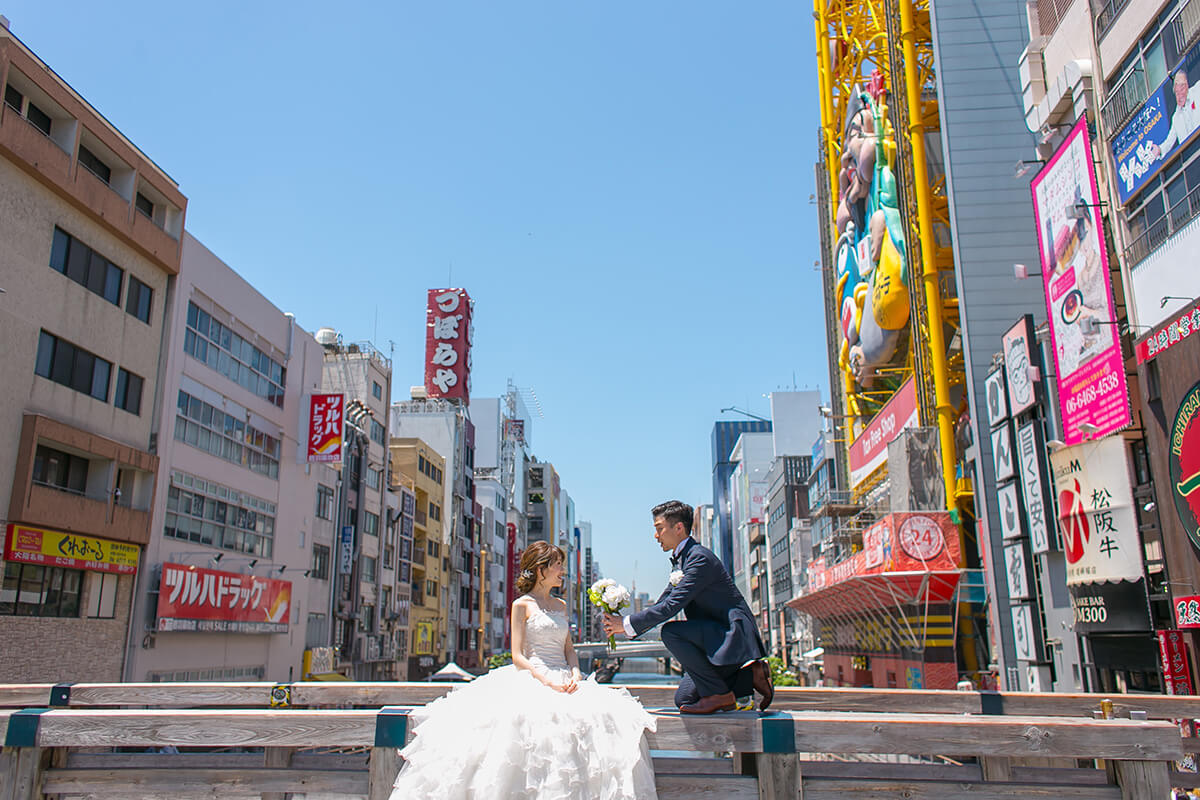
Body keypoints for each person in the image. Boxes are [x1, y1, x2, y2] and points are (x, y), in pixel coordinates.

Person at [390, 541, 658, 800]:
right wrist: (547, 681)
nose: (563, 572)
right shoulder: (521, 605)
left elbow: (569, 650)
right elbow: (518, 656)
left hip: (566, 677)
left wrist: (575, 673)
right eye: (558, 566)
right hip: (533, 676)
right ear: (542, 570)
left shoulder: (561, 606)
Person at [603, 500, 773, 715]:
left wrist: (626, 624)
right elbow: (663, 602)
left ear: (679, 528)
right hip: (714, 639)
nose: (656, 536)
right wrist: (625, 625)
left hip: (730, 636)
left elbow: (672, 606)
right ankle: (751, 675)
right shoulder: (683, 560)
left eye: (659, 529)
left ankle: (722, 697)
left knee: (671, 632)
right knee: (683, 699)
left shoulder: (698, 558)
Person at [1152, 69, 1200, 160]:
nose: (1179, 95)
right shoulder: (1176, 117)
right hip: (1192, 156)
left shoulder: (1197, 91)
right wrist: (1159, 149)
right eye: (1176, 92)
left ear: (1186, 86)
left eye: (1181, 89)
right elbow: (1170, 140)